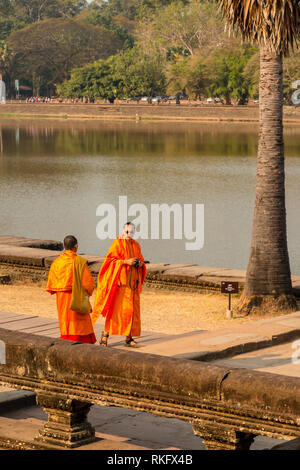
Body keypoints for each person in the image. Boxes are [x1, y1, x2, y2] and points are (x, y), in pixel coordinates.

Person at [92, 222, 146, 347]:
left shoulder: (136, 245)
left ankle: (128, 338)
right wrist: (126, 262)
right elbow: (110, 262)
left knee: (131, 312)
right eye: (127, 232)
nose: (129, 234)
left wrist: (140, 264)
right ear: (123, 231)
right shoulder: (117, 243)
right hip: (120, 285)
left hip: (132, 285)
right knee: (115, 312)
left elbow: (142, 260)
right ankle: (105, 337)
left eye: (131, 232)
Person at [46, 235, 96, 344]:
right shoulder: (79, 261)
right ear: (76, 246)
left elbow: (51, 284)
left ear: (64, 246)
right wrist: (88, 292)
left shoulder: (57, 262)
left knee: (66, 320)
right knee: (79, 322)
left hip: (62, 298)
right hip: (77, 296)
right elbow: (88, 284)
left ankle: (66, 338)